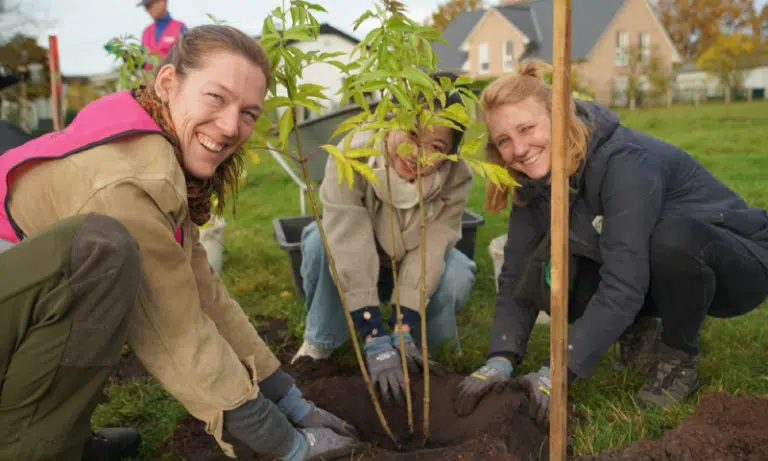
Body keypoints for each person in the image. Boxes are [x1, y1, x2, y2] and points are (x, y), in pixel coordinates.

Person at [0, 25, 363, 461]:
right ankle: (29, 447)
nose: (232, 126)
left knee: (99, 279)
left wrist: (290, 401)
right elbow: (176, 330)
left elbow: (203, 292)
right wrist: (286, 445)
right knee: (101, 253)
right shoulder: (127, 182)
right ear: (168, 83)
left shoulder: (156, 147)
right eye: (216, 97)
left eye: (249, 112)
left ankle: (62, 435)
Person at [453, 59, 768, 424]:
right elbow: (516, 273)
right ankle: (638, 328)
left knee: (672, 240)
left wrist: (558, 373)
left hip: (737, 264)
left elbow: (624, 281)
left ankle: (679, 357)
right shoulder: (532, 178)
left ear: (559, 117)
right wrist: (500, 358)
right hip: (658, 266)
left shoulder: (623, 161)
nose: (519, 148)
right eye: (504, 140)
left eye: (527, 128)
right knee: (550, 272)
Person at [291, 73, 478, 406]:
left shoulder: (456, 177)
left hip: (407, 263)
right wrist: (373, 333)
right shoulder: (352, 153)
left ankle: (426, 347)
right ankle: (321, 343)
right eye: (411, 134)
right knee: (321, 243)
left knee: (457, 269)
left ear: (450, 154)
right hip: (355, 258)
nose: (417, 154)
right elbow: (348, 239)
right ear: (390, 122)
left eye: (436, 147)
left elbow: (432, 246)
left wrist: (405, 323)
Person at [137, 0, 187, 68]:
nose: (147, 10)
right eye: (146, 7)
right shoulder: (146, 32)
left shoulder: (180, 28)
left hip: (173, 76)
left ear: (162, 2)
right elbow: (141, 62)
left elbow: (187, 59)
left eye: (149, 6)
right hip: (149, 77)